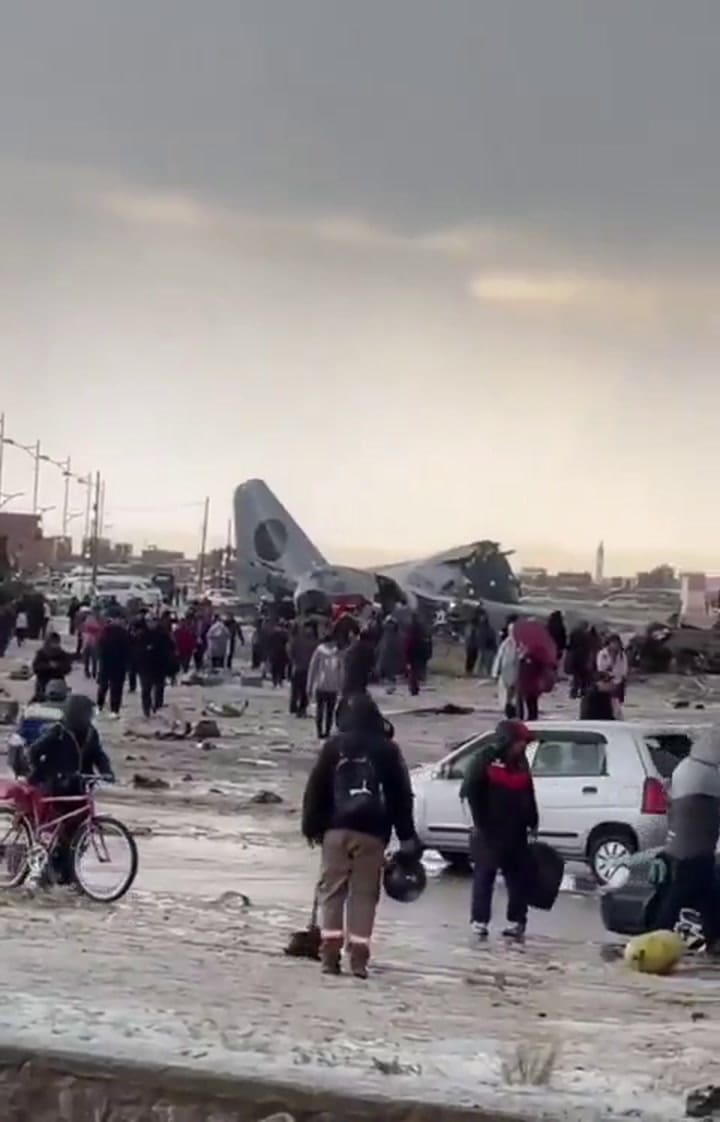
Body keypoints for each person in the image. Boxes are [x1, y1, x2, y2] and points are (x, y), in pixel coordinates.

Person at [302, 693, 419, 978]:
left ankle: (329, 955)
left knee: (332, 891)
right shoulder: (388, 750)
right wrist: (407, 836)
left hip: (336, 829)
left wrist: (312, 827)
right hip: (373, 833)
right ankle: (358, 960)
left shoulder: (334, 746)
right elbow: (400, 796)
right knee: (364, 896)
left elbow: (316, 788)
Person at [460, 719, 538, 943]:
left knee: (517, 876)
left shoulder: (521, 763)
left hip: (516, 829)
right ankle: (479, 921)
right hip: (489, 830)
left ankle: (517, 921)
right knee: (485, 875)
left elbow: (528, 792)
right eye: (520, 742)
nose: (523, 747)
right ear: (507, 741)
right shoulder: (483, 760)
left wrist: (533, 821)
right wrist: (477, 824)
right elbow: (468, 793)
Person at [25, 693, 115, 884]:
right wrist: (48, 772)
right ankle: (46, 869)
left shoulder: (91, 733)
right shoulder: (57, 732)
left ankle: (68, 872)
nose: (89, 718)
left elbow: (99, 755)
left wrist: (107, 772)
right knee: (55, 833)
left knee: (80, 832)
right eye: (87, 714)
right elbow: (34, 752)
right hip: (56, 789)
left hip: (80, 788)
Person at [655, 728, 720, 950]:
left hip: (688, 853)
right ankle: (656, 939)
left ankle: (713, 939)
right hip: (694, 856)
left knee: (705, 898)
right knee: (682, 896)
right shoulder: (706, 776)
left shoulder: (687, 770)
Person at [136, 616, 175, 718]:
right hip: (145, 667)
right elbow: (135, 651)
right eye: (149, 621)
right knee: (146, 690)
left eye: (153, 621)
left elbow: (171, 649)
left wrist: (170, 667)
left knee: (159, 690)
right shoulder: (142, 635)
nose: (151, 624)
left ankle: (158, 709)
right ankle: (146, 711)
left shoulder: (163, 635)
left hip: (159, 667)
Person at [307, 634, 344, 739]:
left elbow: (312, 669)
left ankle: (319, 732)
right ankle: (327, 732)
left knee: (320, 710)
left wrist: (309, 685)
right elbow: (341, 671)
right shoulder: (338, 653)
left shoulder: (319, 651)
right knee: (330, 711)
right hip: (333, 687)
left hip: (320, 685)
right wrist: (341, 687)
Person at [96, 615, 131, 718]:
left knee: (108, 687)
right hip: (114, 664)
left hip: (111, 664)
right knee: (111, 687)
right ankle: (110, 708)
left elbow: (100, 647)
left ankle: (105, 707)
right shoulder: (109, 632)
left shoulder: (108, 632)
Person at [32, 633, 73, 702]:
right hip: (43, 682)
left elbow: (68, 668)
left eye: (56, 642)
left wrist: (58, 666)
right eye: (53, 642)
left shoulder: (62, 654)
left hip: (58, 683)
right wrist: (48, 666)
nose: (55, 645)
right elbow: (36, 667)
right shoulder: (41, 653)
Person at [289, 621, 317, 717]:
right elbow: (291, 651)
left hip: (307, 669)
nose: (308, 631)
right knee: (296, 690)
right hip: (299, 668)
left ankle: (301, 709)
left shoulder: (315, 643)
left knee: (304, 691)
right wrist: (294, 661)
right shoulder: (298, 640)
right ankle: (294, 707)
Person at [492, 620, 520, 717]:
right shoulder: (506, 644)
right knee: (507, 694)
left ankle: (514, 711)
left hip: (517, 672)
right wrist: (495, 673)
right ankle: (509, 711)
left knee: (515, 694)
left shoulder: (520, 644)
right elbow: (499, 658)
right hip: (506, 672)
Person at [596, 634, 628, 718]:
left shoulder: (621, 655)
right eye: (613, 643)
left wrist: (622, 678)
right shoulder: (603, 654)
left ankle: (617, 716)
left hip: (619, 681)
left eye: (617, 643)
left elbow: (624, 668)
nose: (615, 645)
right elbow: (601, 667)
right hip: (606, 681)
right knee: (607, 700)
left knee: (618, 701)